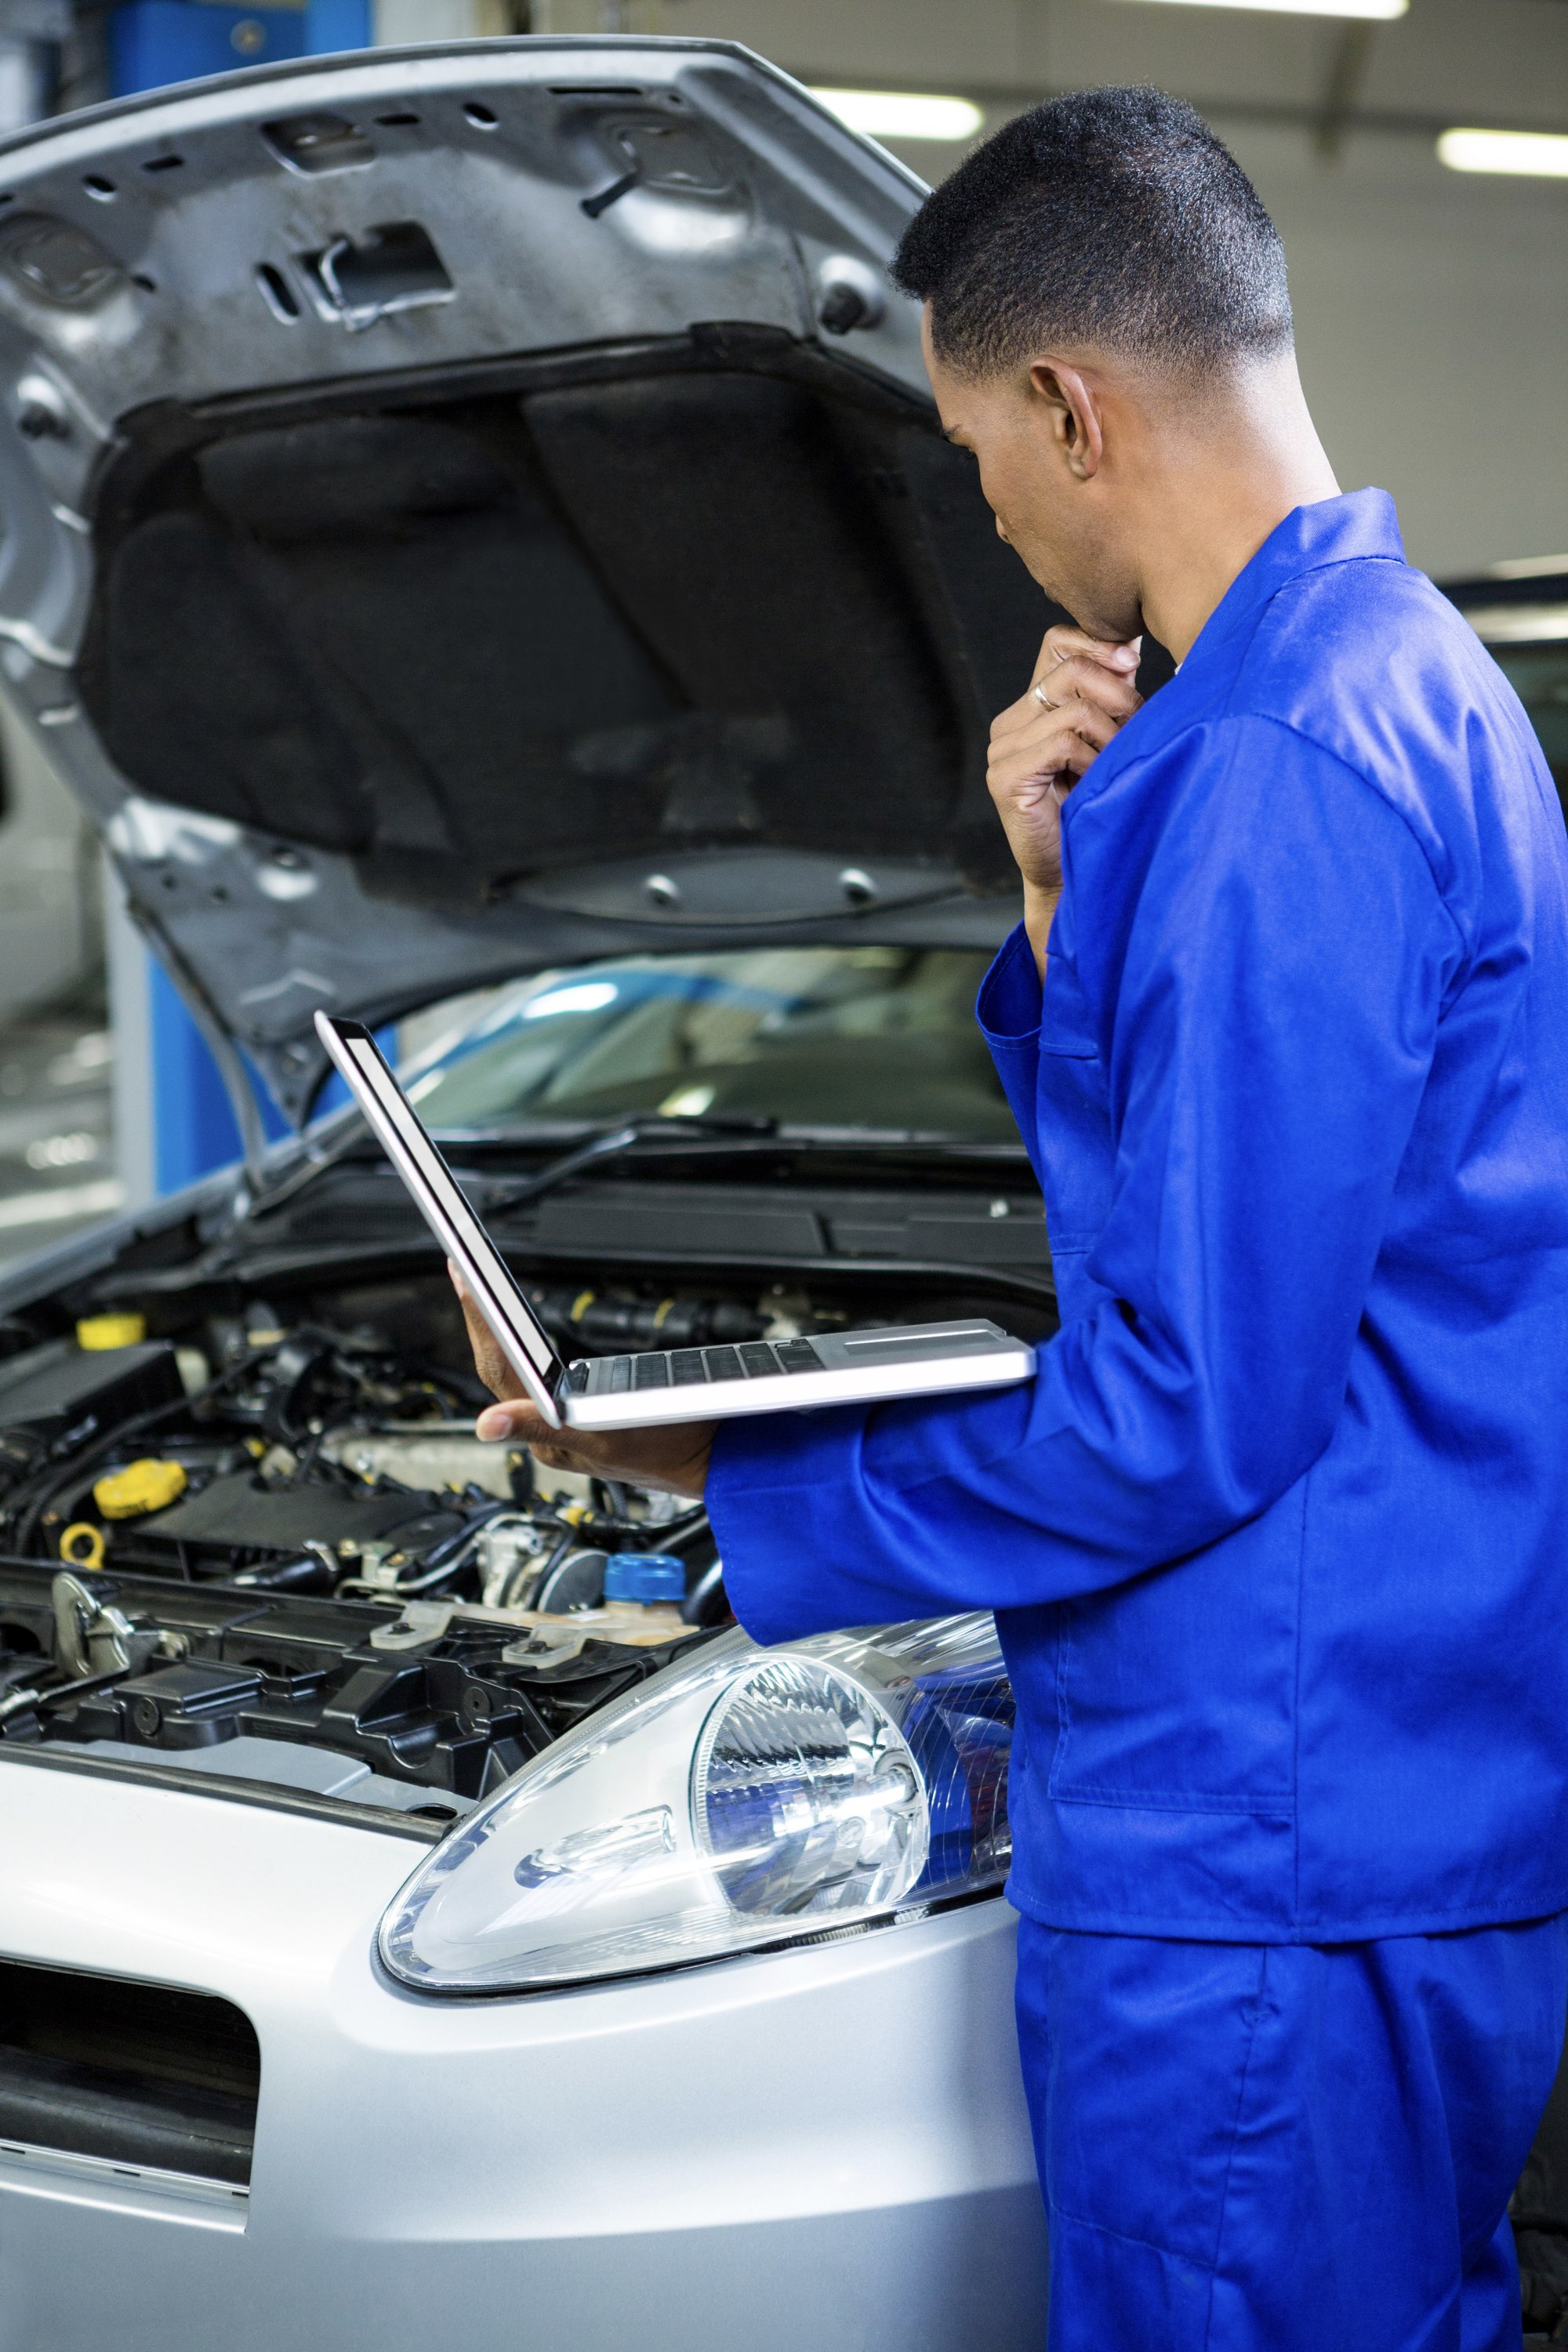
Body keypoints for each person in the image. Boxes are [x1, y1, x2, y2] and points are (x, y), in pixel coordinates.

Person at [455, 87, 1568, 2352]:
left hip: (1259, 1843)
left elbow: (1182, 1409)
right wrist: (1062, 903)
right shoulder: (1370, 686)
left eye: (974, 452)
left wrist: (728, 1470)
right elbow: (1213, 1235)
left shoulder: (1280, 761)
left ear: (1073, 405)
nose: (985, 507)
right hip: (1375, 1792)